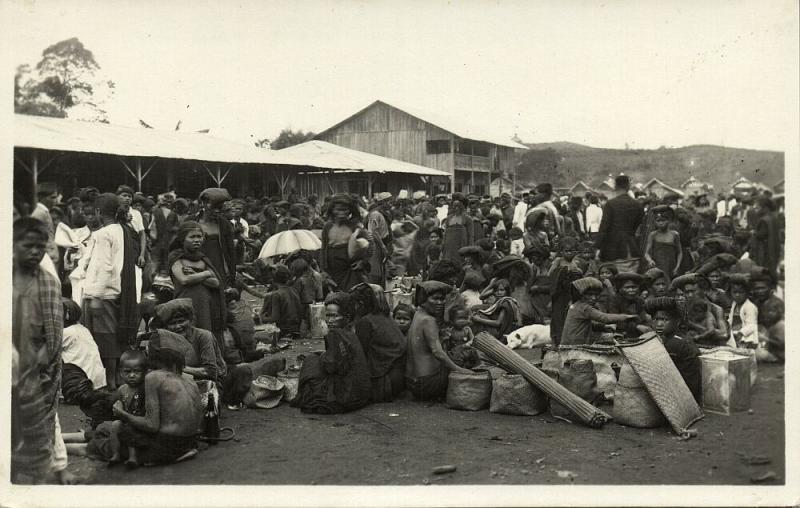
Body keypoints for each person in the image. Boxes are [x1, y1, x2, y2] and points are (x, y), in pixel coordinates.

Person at [11, 218, 63, 483]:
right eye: (28, 245)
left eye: (40, 247)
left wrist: (43, 358)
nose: (35, 252)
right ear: (12, 244)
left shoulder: (49, 284)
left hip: (37, 376)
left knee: (38, 446)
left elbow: (53, 336)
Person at [81, 193, 139, 390]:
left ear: (98, 211)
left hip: (102, 294)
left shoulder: (103, 234)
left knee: (104, 338)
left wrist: (95, 295)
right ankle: (114, 378)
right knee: (111, 336)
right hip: (116, 291)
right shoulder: (121, 230)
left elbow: (103, 266)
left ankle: (110, 380)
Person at [109, 348, 203, 466]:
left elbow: (151, 425)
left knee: (110, 444)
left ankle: (171, 456)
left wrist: (122, 413)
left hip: (168, 445)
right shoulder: (190, 379)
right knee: (114, 430)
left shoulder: (153, 377)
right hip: (191, 441)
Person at [293, 292, 371, 414]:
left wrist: (326, 336)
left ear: (347, 316)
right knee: (314, 358)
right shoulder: (349, 332)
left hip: (347, 396)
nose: (329, 320)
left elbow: (331, 366)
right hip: (359, 394)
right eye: (327, 316)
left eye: (334, 316)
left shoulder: (336, 334)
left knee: (310, 363)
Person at [405, 281, 472, 401]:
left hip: (412, 382)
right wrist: (460, 370)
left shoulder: (418, 314)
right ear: (424, 299)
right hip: (426, 384)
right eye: (435, 299)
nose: (440, 303)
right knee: (464, 356)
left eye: (442, 299)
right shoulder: (429, 320)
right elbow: (437, 352)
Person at [169, 221, 227, 347]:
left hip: (206, 306)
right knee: (189, 338)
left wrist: (195, 273)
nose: (197, 240)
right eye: (192, 237)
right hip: (186, 307)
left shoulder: (203, 258)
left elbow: (216, 283)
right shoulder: (176, 258)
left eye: (199, 236)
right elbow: (184, 279)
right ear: (182, 239)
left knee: (206, 336)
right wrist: (205, 274)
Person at [351, 283, 407, 402]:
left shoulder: (365, 321)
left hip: (386, 381)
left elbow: (360, 353)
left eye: (353, 304)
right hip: (399, 378)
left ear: (360, 304)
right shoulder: (384, 316)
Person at [150, 299, 227, 384]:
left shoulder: (204, 336)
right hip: (179, 381)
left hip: (209, 382)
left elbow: (210, 371)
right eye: (172, 323)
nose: (178, 326)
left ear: (190, 320)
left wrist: (178, 368)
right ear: (166, 326)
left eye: (181, 321)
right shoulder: (166, 339)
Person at [645, 298, 702, 403]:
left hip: (683, 396)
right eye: (656, 319)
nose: (659, 324)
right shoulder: (674, 338)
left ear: (677, 322)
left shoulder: (675, 343)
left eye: (664, 320)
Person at [320, 193, 373, 291]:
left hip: (350, 271)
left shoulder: (355, 226)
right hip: (332, 271)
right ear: (332, 210)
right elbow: (323, 249)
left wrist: (363, 261)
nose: (342, 213)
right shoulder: (327, 227)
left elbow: (370, 244)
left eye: (345, 209)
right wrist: (323, 270)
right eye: (338, 209)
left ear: (351, 210)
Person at [560, 277, 637, 346]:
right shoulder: (585, 308)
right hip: (576, 344)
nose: (594, 298)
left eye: (596, 295)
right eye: (590, 295)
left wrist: (603, 327)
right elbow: (605, 318)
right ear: (581, 295)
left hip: (567, 342)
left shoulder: (576, 305)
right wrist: (625, 317)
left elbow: (585, 324)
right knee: (613, 339)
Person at [596, 175, 644, 266]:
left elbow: (604, 228)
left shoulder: (610, 204)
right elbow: (638, 226)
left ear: (615, 187)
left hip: (612, 249)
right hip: (631, 247)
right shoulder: (637, 204)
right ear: (628, 187)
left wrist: (597, 247)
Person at [197, 188, 237, 287]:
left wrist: (232, 272)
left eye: (220, 208)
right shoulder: (192, 222)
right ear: (204, 203)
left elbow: (230, 250)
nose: (216, 211)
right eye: (214, 207)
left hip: (218, 263)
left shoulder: (224, 224)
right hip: (197, 262)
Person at [644, 205, 682, 280]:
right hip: (658, 266)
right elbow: (646, 253)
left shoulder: (674, 234)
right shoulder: (653, 235)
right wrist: (650, 260)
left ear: (669, 220)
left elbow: (679, 252)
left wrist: (677, 266)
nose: (660, 223)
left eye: (663, 220)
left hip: (671, 266)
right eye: (658, 221)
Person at [727, 274, 758, 348]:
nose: (737, 295)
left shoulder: (749, 307)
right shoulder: (734, 304)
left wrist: (740, 333)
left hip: (746, 335)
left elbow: (752, 325)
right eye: (734, 292)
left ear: (747, 293)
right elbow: (730, 319)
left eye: (741, 292)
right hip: (734, 333)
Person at [440, 193, 474, 262]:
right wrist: (443, 245)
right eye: (454, 206)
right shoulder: (449, 218)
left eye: (458, 206)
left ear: (462, 207)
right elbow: (445, 233)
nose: (456, 208)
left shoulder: (467, 219)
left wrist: (469, 250)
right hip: (448, 247)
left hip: (461, 246)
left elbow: (471, 235)